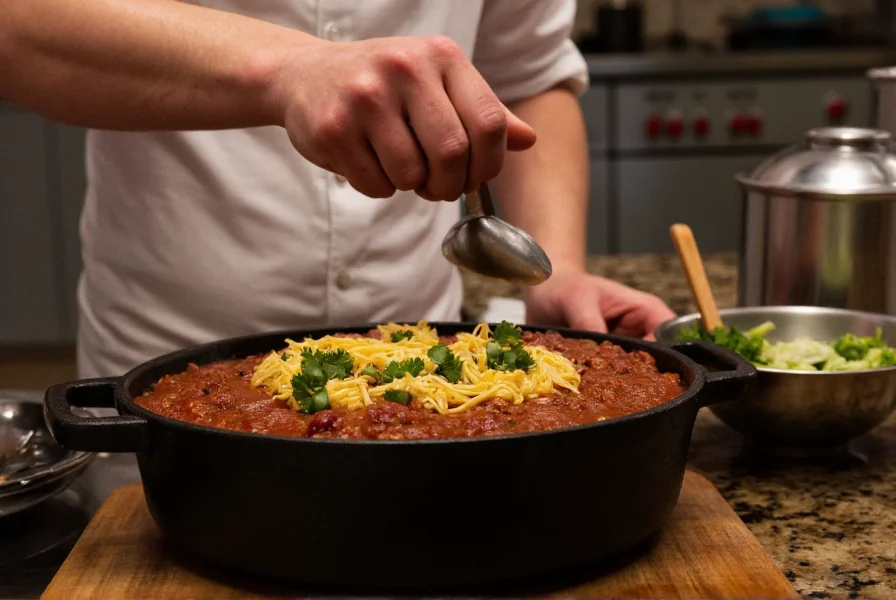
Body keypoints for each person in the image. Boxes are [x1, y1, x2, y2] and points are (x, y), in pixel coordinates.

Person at [1, 0, 675, 378]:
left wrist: (556, 271)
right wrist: (289, 69)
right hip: (169, 365)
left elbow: (527, 71)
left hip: (423, 363)